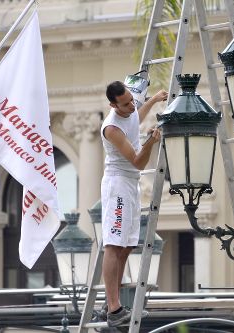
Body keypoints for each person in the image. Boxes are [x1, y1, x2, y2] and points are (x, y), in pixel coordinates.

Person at [100, 80, 168, 327]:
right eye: (126, 103)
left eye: (131, 100)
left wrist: (152, 100)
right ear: (112, 105)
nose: (131, 105)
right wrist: (151, 140)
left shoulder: (128, 112)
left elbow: (134, 119)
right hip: (118, 185)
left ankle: (111, 301)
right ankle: (114, 309)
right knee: (114, 244)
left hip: (130, 185)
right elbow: (138, 162)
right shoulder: (111, 129)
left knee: (127, 245)